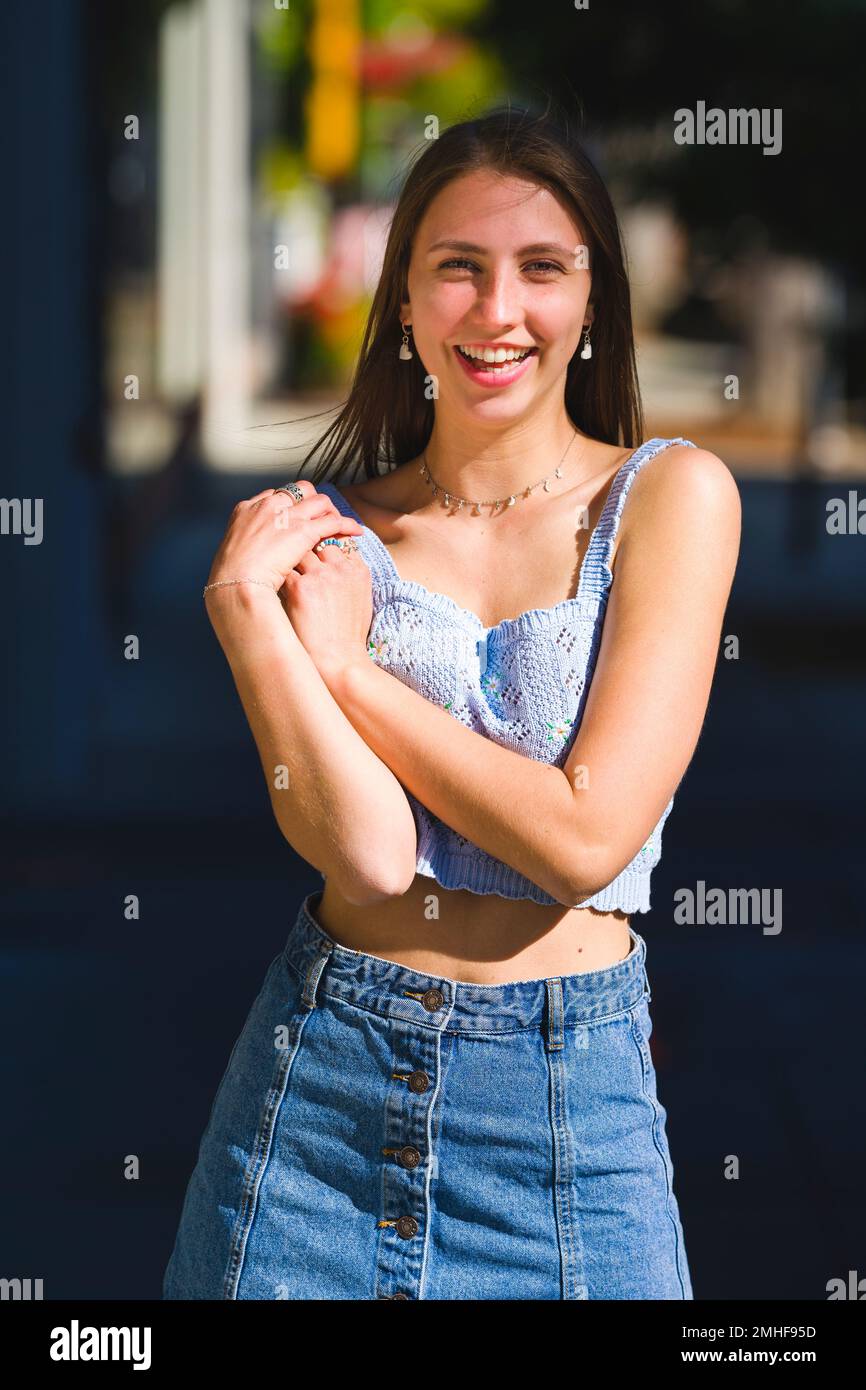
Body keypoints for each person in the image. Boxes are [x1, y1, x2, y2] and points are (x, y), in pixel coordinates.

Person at [163, 105, 740, 1301]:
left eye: (540, 267)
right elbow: (371, 858)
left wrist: (348, 674)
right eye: (456, 269)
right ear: (407, 301)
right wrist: (242, 613)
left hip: (570, 1115)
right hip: (318, 1099)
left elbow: (584, 838)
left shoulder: (670, 499)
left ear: (591, 300)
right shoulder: (329, 541)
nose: (496, 311)